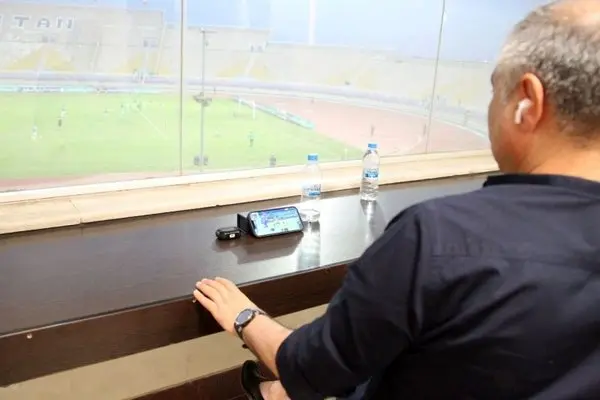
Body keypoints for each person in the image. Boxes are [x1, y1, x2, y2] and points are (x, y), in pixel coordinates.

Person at [194, 1, 600, 398]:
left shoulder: (437, 236)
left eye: (496, 91)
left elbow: (311, 368)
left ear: (529, 101)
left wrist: (245, 317)